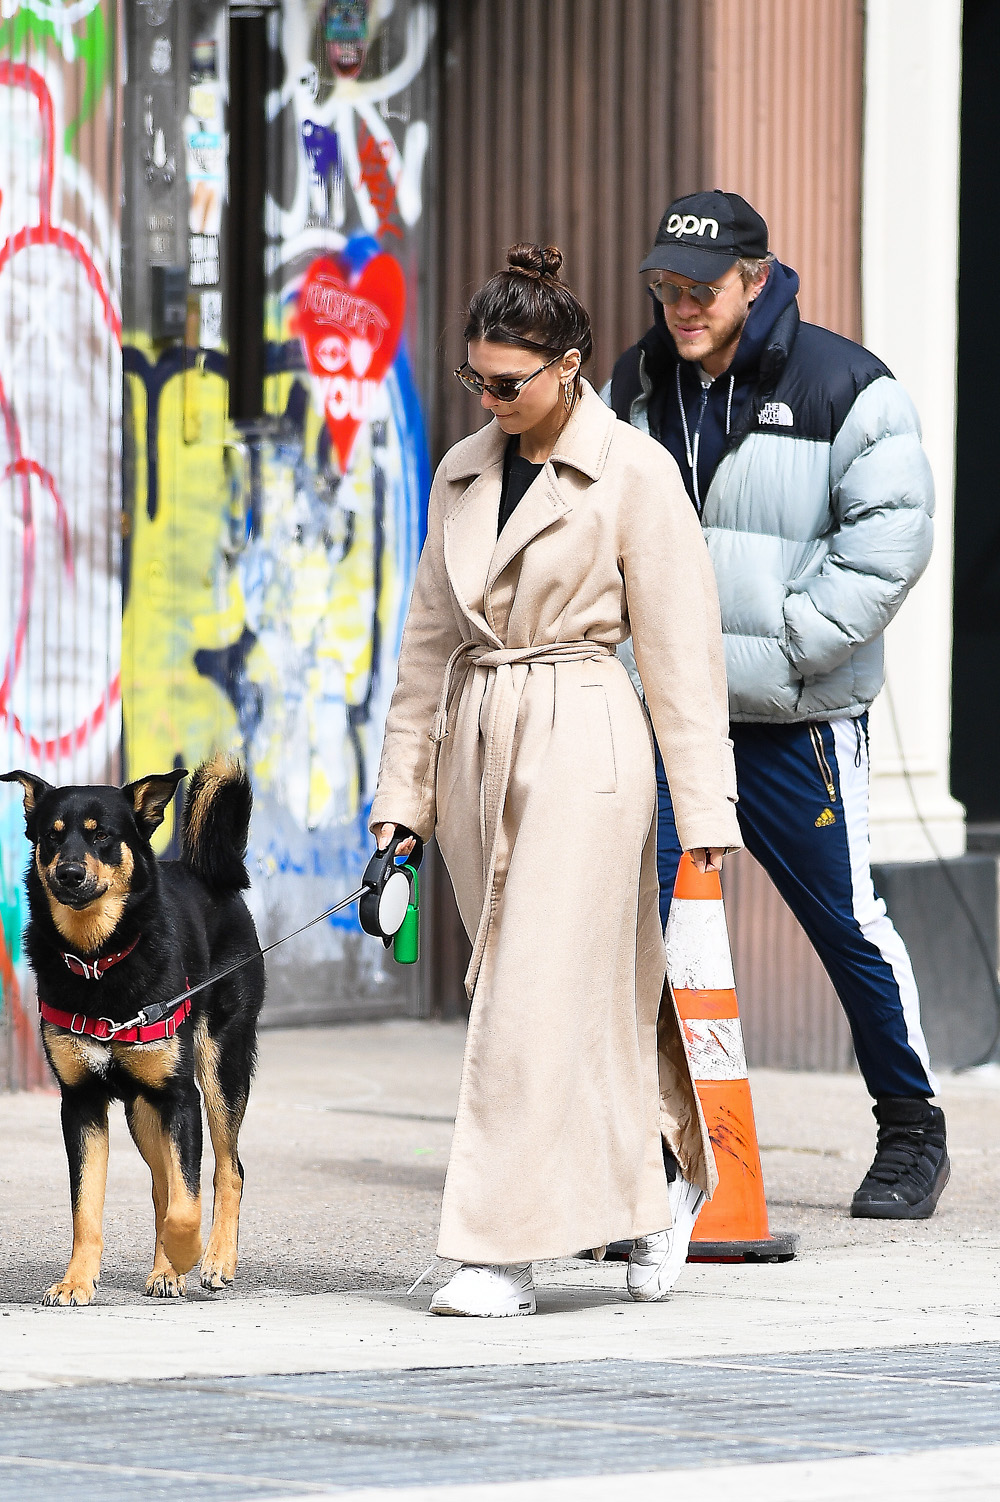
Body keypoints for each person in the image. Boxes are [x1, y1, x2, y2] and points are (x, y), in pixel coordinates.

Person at [370, 243, 742, 1316]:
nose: (488, 398)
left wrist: (705, 806)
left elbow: (682, 652)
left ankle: (499, 1250)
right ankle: (656, 1186)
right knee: (560, 1000)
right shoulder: (460, 469)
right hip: (479, 740)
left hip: (586, 737)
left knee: (532, 998)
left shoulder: (633, 470)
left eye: (507, 382)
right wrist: (401, 809)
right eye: (474, 379)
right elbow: (425, 649)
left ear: (568, 365)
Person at [609, 189, 948, 1220]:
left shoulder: (848, 385)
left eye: (701, 288)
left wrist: (788, 649)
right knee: (649, 932)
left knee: (847, 923)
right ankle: (666, 1143)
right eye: (666, 286)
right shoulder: (636, 382)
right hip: (668, 718)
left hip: (794, 721)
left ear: (755, 281)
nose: (681, 305)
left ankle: (910, 1130)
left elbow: (891, 537)